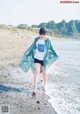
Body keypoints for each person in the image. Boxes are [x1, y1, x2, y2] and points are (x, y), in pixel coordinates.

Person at [19, 27, 59, 95]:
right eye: (41, 34)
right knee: (36, 73)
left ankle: (45, 85)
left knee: (44, 73)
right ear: (39, 34)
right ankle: (35, 88)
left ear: (45, 34)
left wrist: (56, 54)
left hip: (44, 60)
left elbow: (51, 48)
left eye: (43, 34)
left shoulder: (47, 40)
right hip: (37, 58)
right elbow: (32, 47)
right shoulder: (36, 39)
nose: (42, 35)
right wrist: (28, 54)